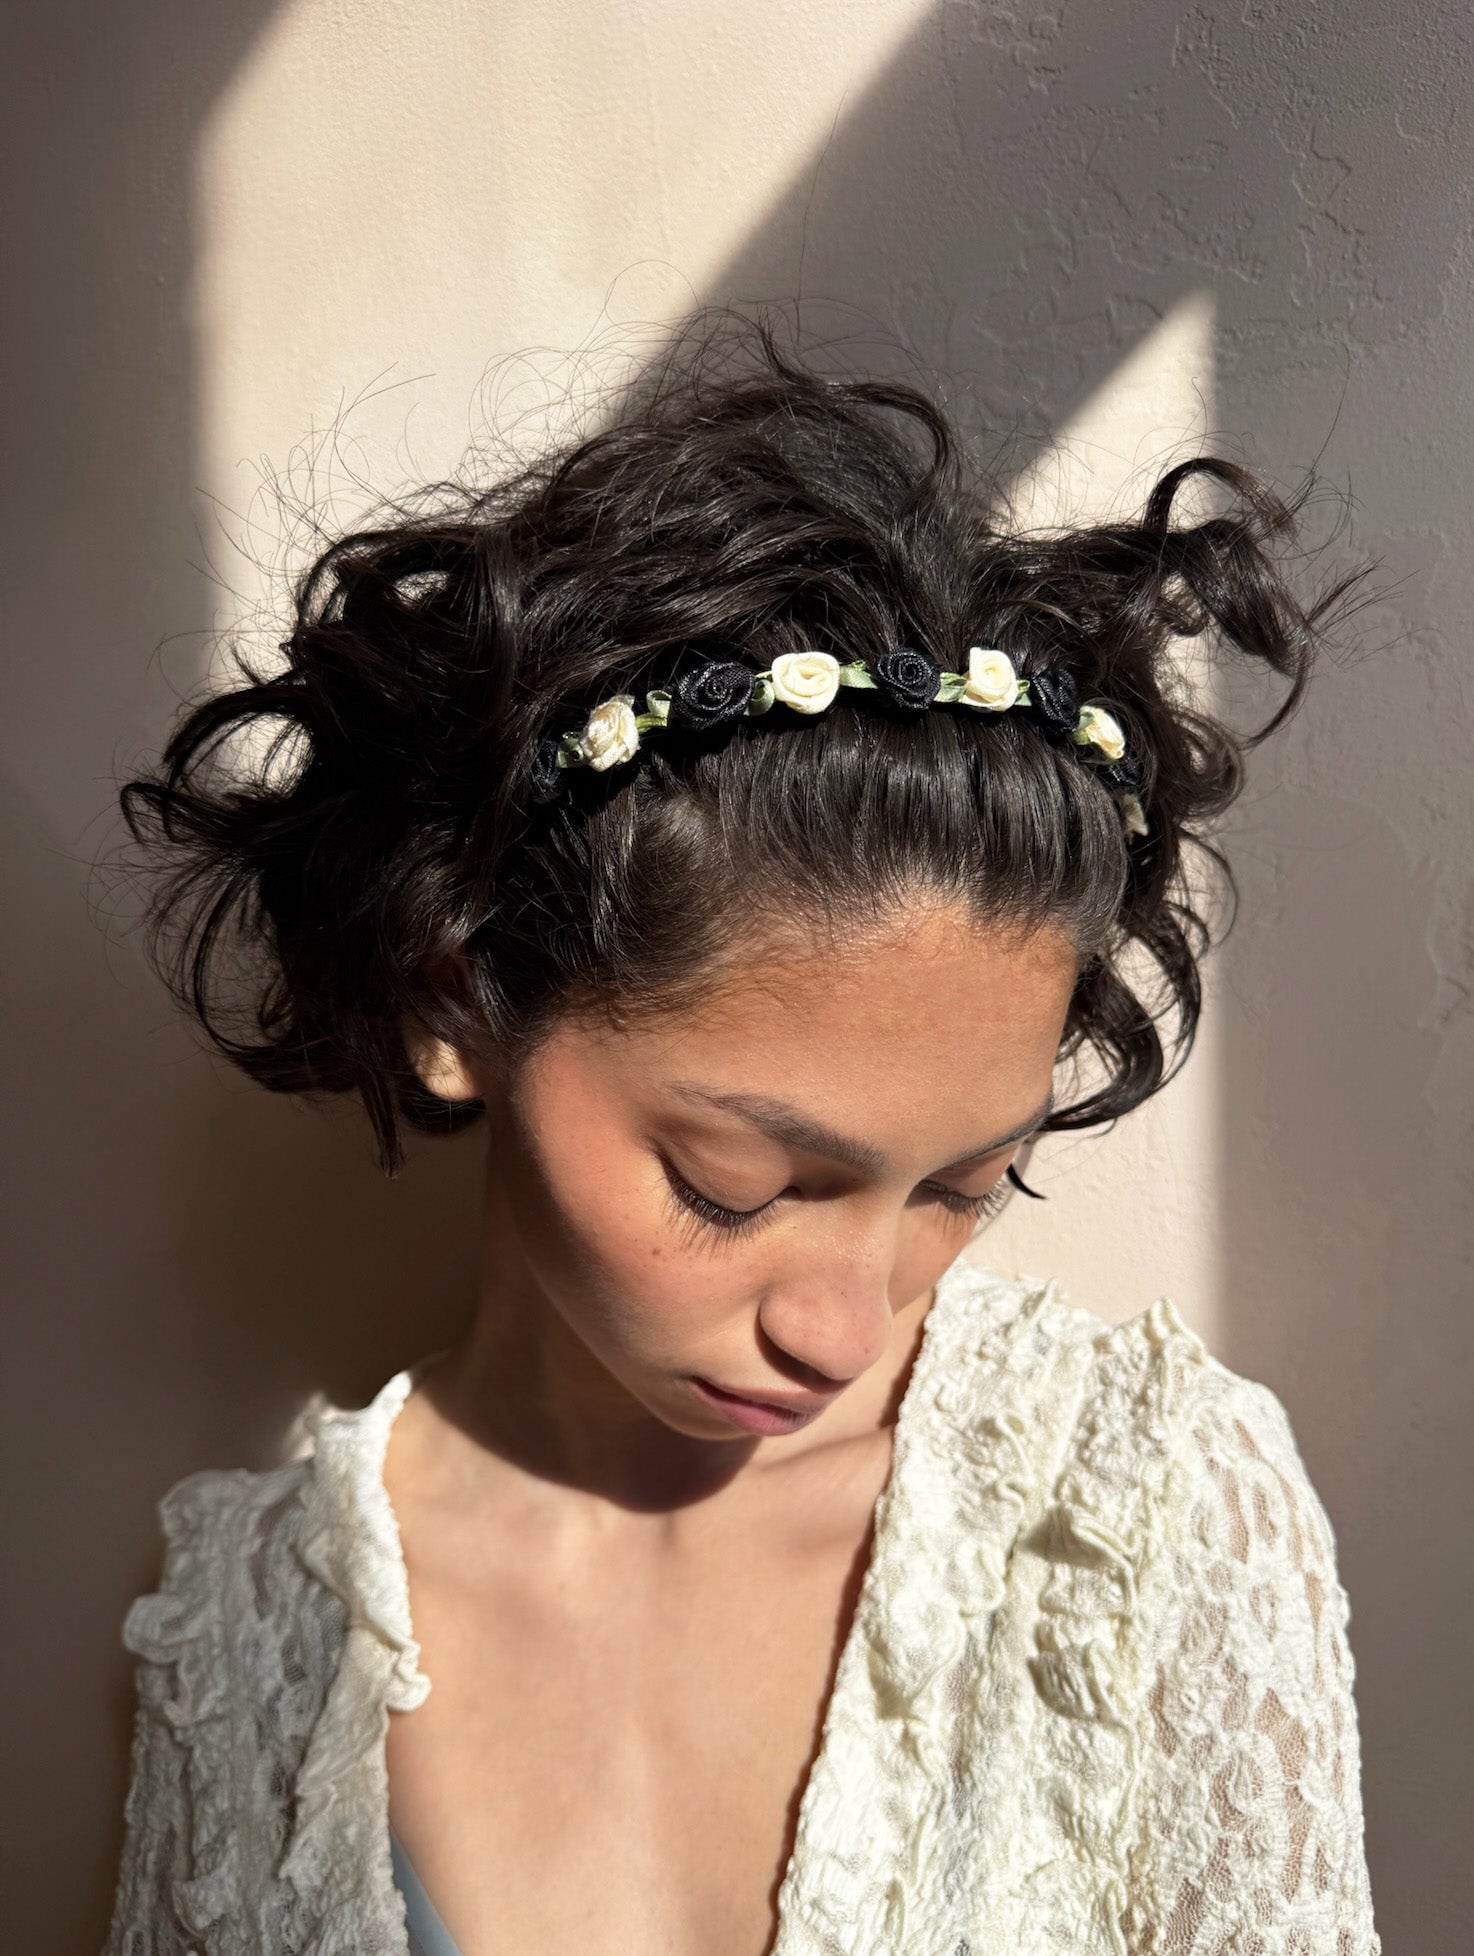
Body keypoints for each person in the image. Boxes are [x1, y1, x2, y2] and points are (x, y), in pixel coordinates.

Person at [104, 316, 1381, 1955]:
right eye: (737, 1187)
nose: (842, 1329)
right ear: (451, 1001)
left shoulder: (1137, 1513)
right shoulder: (243, 1623)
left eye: (964, 1188)